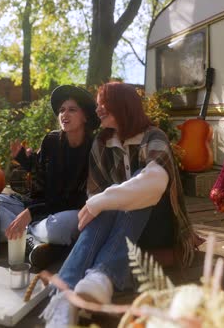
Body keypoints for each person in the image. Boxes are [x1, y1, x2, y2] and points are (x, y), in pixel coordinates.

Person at [43, 82, 199, 327]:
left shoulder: (153, 137)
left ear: (123, 105)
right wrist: (99, 202)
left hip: (159, 228)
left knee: (136, 182)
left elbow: (155, 183)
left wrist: (101, 201)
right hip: (121, 233)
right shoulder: (101, 145)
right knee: (103, 202)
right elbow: (95, 198)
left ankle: (101, 278)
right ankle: (65, 294)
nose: (98, 110)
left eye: (103, 104)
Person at [0, 85, 99, 269]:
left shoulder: (95, 149)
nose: (64, 114)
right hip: (38, 210)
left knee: (63, 227)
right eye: (61, 110)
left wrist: (31, 213)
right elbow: (40, 172)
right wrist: (23, 158)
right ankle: (33, 241)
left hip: (64, 213)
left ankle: (25, 236)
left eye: (72, 109)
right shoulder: (52, 140)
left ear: (85, 116)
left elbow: (75, 200)